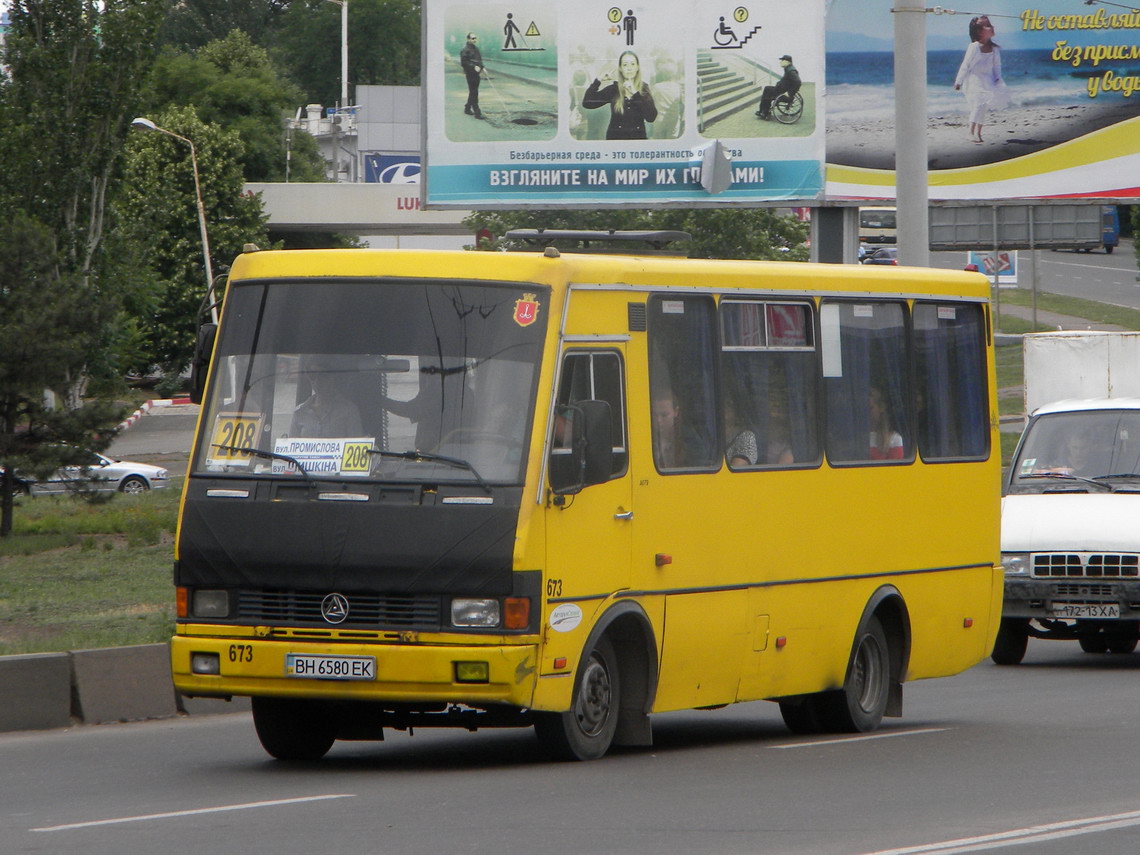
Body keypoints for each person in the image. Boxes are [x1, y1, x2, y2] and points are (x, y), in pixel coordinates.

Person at [954, 15, 1008, 143]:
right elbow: (965, 65)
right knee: (978, 103)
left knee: (984, 106)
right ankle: (970, 132)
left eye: (990, 24)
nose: (992, 27)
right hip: (974, 80)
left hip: (987, 80)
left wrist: (998, 79)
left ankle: (978, 133)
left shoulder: (994, 49)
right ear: (979, 31)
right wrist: (959, 81)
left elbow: (997, 66)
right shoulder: (974, 47)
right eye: (987, 25)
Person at [582, 50, 658, 140]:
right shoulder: (614, 89)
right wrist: (598, 80)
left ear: (637, 67)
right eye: (625, 65)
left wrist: (635, 93)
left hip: (637, 141)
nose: (629, 68)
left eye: (632, 64)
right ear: (621, 68)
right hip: (615, 141)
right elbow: (587, 103)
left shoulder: (644, 88)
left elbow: (651, 117)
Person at [292, 357, 363, 438]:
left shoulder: (349, 411)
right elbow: (290, 447)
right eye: (312, 376)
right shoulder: (299, 412)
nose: (317, 381)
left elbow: (355, 446)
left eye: (323, 375)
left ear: (333, 377)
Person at [756, 55, 801, 120]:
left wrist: (789, 93)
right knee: (768, 89)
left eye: (782, 60)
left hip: (782, 92)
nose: (781, 62)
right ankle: (764, 111)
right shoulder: (789, 69)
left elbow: (798, 82)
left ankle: (764, 112)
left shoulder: (791, 71)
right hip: (781, 89)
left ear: (787, 62)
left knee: (767, 91)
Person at [869, 386, 904, 460]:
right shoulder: (858, 438)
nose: (866, 412)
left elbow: (894, 470)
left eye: (870, 408)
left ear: (881, 408)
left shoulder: (894, 439)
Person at [460, 32, 485, 119]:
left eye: (475, 38)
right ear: (468, 39)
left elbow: (479, 60)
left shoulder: (476, 49)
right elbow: (464, 62)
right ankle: (477, 112)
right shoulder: (465, 50)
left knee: (473, 91)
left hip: (477, 73)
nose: (474, 40)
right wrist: (474, 66)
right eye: (472, 38)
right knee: (474, 92)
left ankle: (467, 108)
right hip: (470, 73)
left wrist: (482, 67)